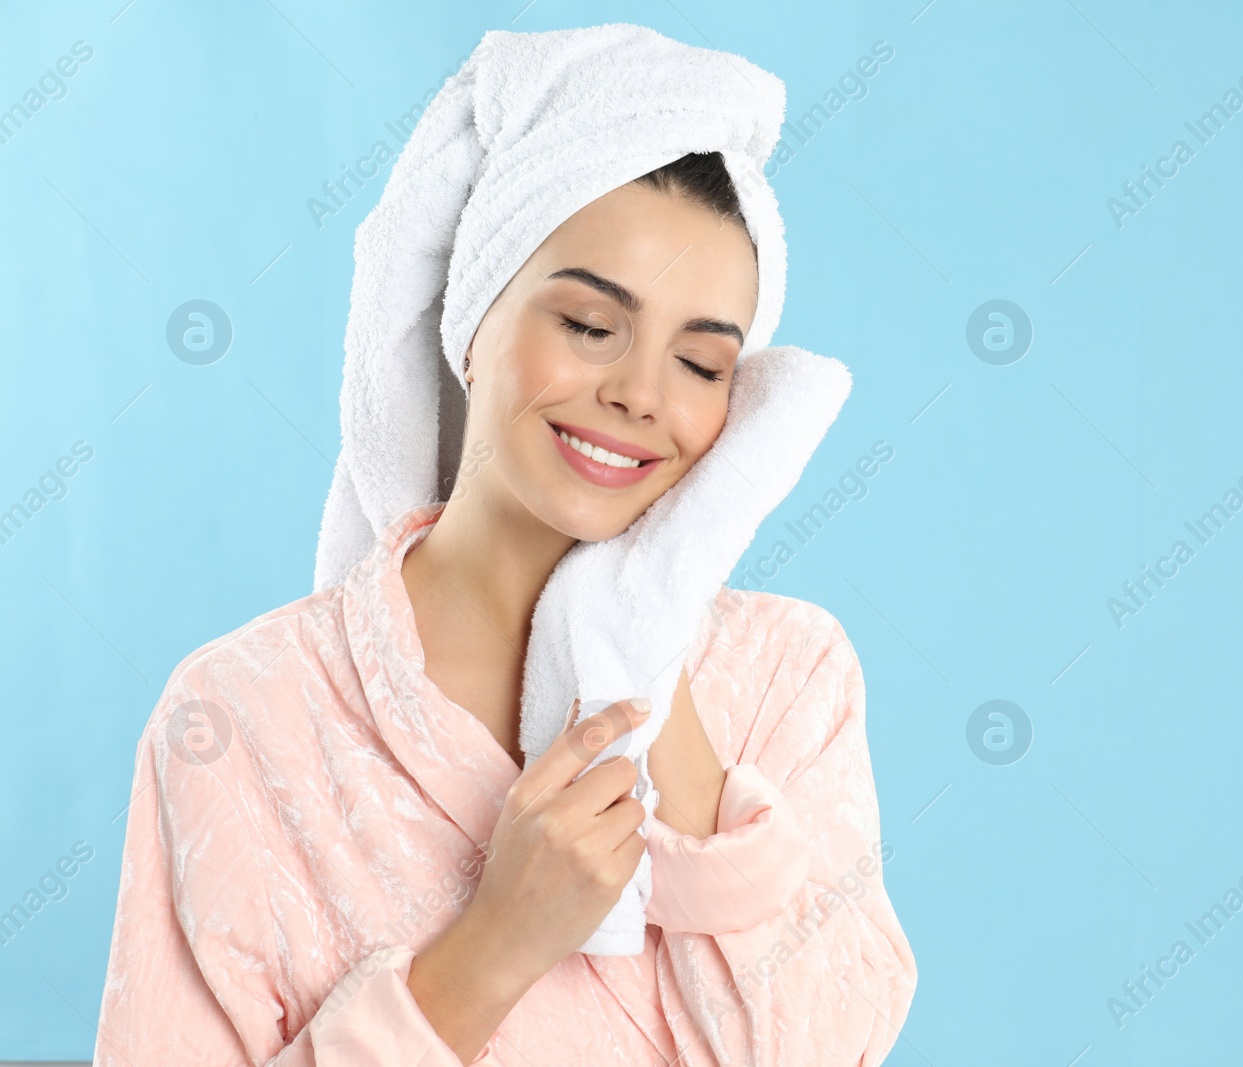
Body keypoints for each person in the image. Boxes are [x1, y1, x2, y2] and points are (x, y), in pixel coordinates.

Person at [91, 26, 916, 1067]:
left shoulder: (790, 677)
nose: (640, 394)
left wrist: (646, 653)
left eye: (702, 363)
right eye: (587, 322)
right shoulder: (241, 716)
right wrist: (490, 949)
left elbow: (833, 1044)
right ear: (474, 321)